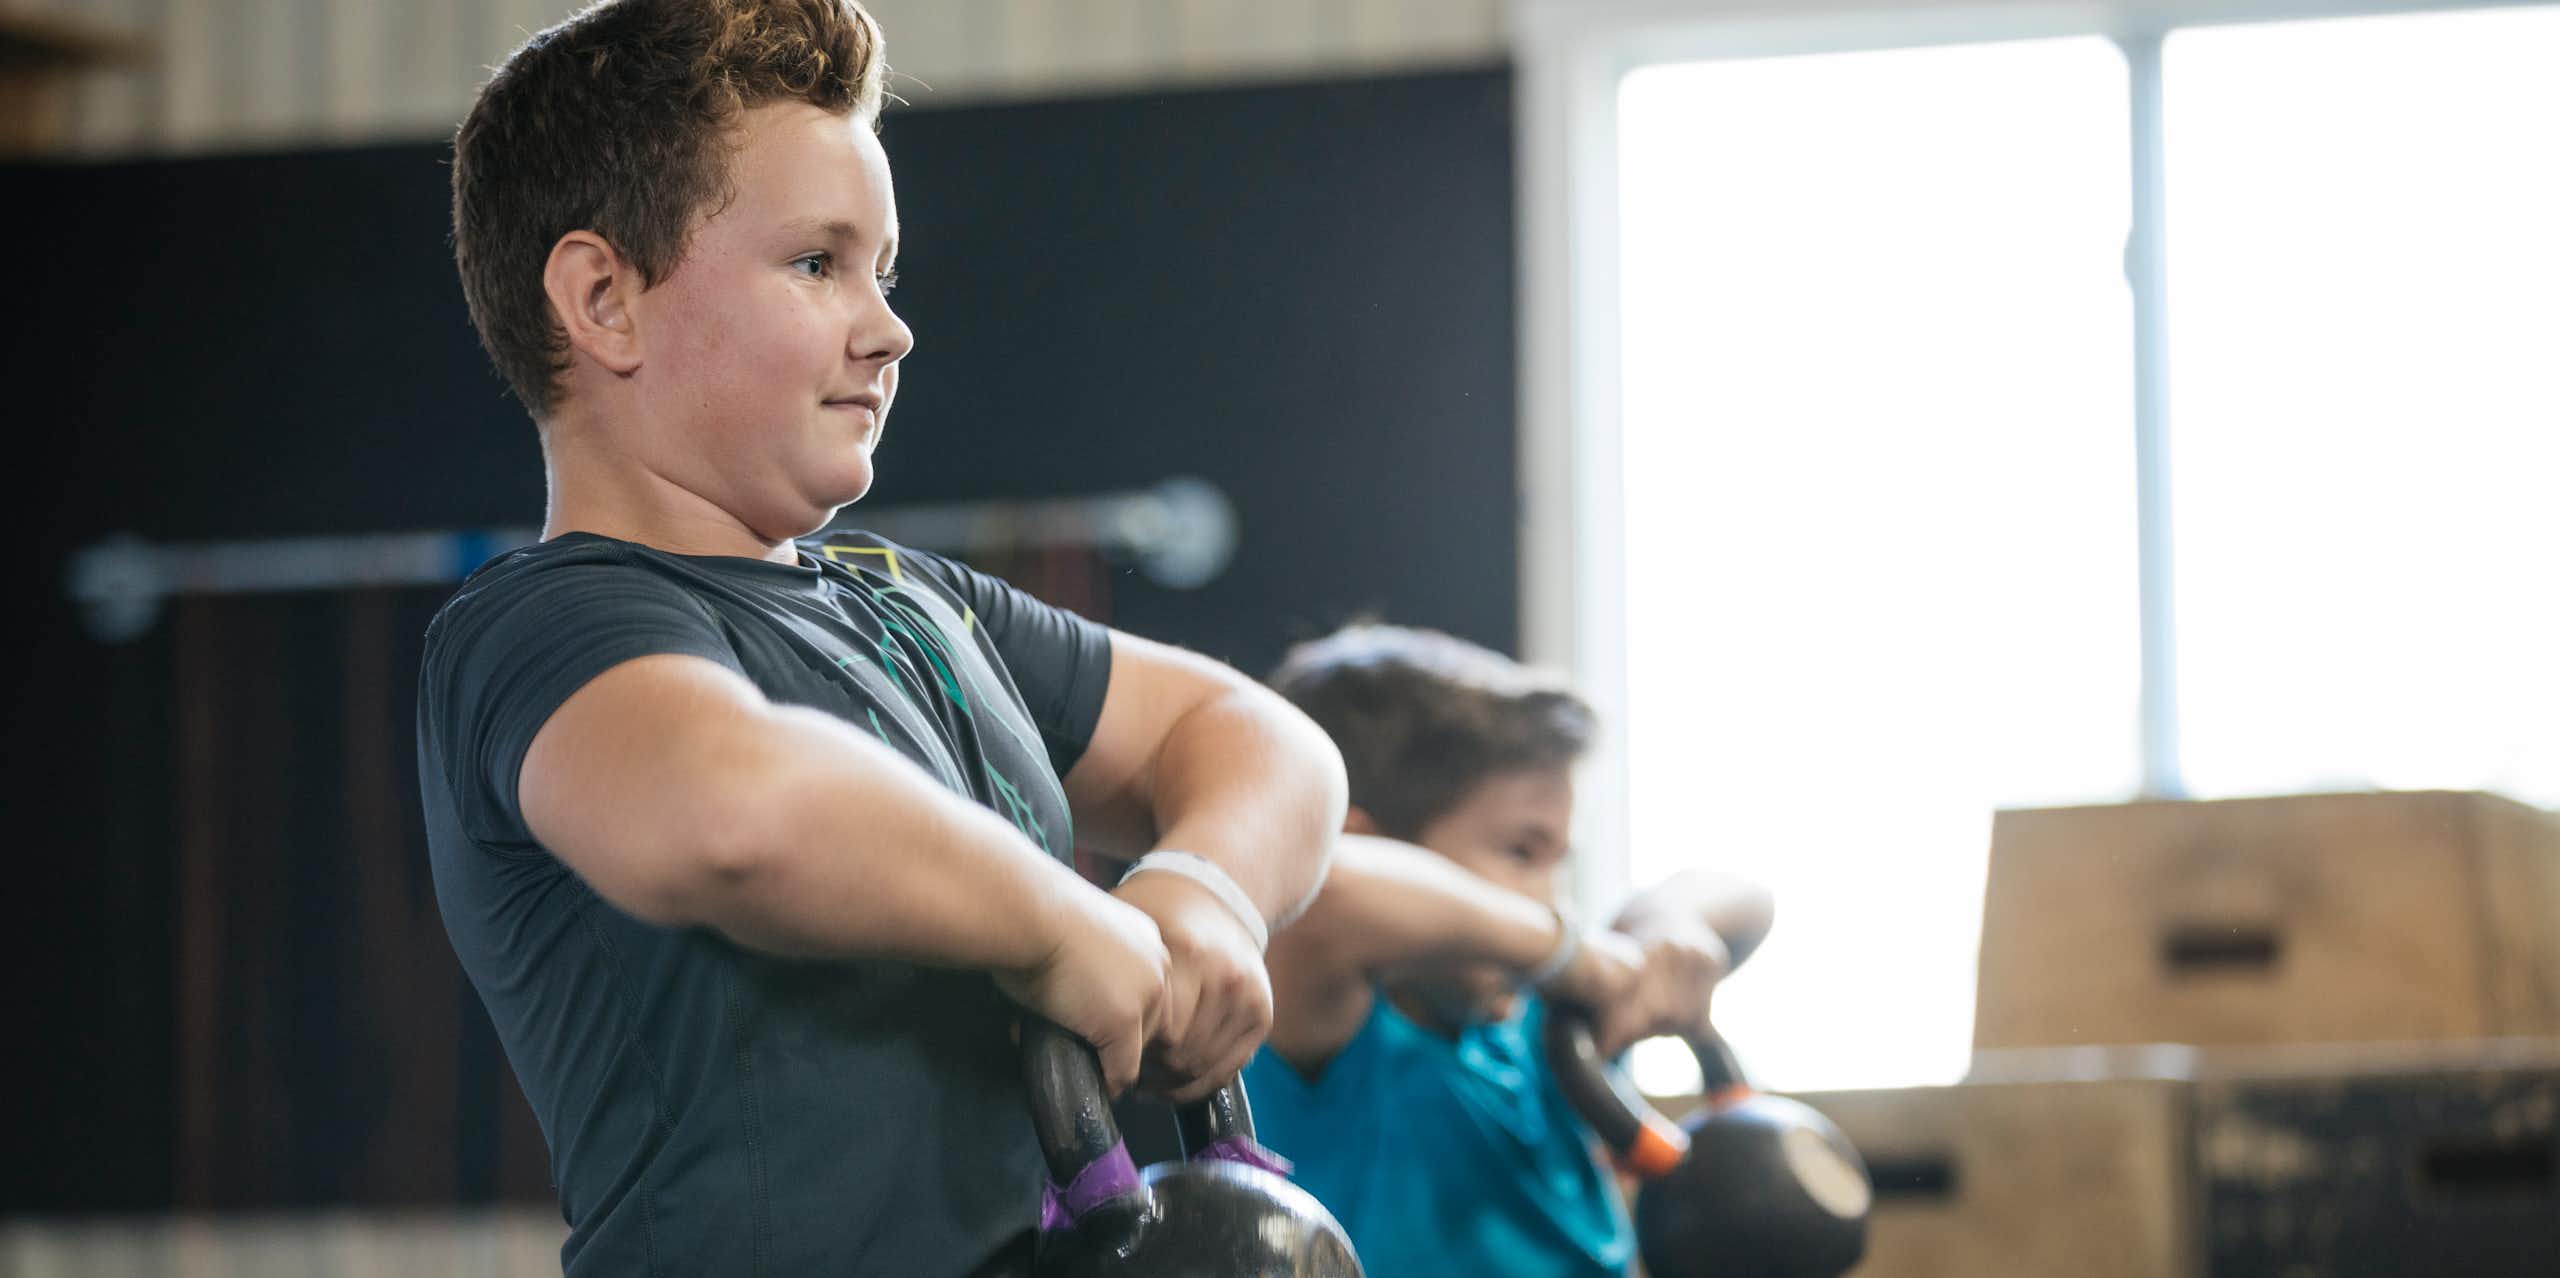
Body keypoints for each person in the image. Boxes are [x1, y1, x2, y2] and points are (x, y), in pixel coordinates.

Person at [418, 3, 1345, 1274]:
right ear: (603, 300)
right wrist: (1060, 928)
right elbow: (731, 811)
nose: (888, 328)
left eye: (884, 273)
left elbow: (1253, 736)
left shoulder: (917, 605)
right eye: (816, 264)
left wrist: (1203, 897)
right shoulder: (543, 625)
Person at [1242, 622, 1775, 1277]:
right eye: (1522, 852)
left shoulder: (1546, 1030)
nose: (1554, 904)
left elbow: (1747, 901)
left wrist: (1666, 927)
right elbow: (1332, 886)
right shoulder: (1331, 1035)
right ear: (1369, 841)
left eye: (1559, 862)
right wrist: (1564, 950)